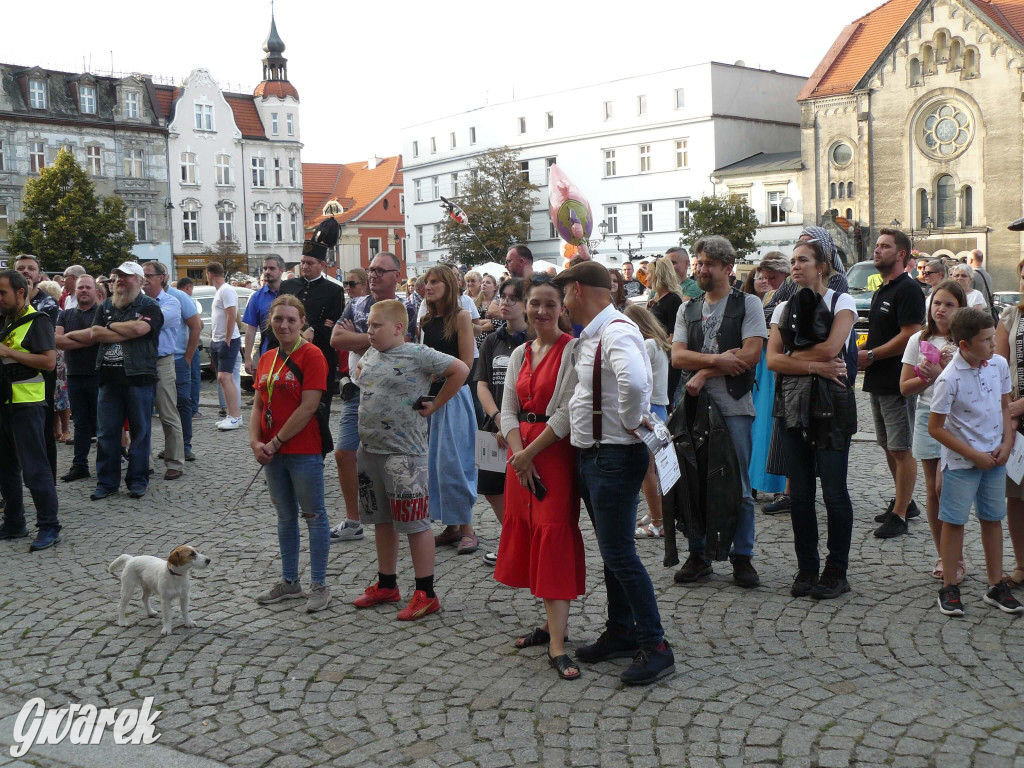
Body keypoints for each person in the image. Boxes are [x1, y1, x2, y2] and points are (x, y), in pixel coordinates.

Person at [551, 261, 674, 686]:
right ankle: (622, 630)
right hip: (598, 456)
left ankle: (656, 646)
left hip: (614, 457)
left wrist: (625, 421)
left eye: (565, 293)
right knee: (613, 550)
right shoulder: (598, 332)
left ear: (579, 290)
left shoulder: (616, 330)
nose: (564, 302)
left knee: (620, 553)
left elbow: (637, 385)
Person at [350, 299, 469, 620]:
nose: (369, 331)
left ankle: (426, 592)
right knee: (381, 520)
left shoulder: (418, 354)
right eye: (368, 325)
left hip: (405, 455)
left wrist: (436, 404)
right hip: (370, 450)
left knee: (416, 524)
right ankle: (387, 584)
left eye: (376, 325)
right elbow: (361, 373)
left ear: (398, 328)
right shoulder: (373, 351)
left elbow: (460, 369)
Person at [672, 235, 768, 588]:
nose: (701, 269)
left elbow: (751, 354)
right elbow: (677, 356)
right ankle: (698, 554)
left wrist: (704, 371)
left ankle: (742, 556)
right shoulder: (688, 308)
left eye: (708, 264)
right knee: (694, 483)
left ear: (727, 268)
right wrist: (716, 361)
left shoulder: (748, 305)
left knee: (738, 484)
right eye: (698, 263)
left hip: (734, 406)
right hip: (694, 407)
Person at [766, 239, 858, 599]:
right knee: (801, 494)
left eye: (803, 260)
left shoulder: (841, 301)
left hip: (832, 404)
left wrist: (793, 356)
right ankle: (806, 567)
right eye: (792, 260)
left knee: (834, 491)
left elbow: (834, 348)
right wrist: (812, 365)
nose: (795, 265)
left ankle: (837, 569)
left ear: (821, 266)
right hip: (791, 403)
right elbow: (772, 360)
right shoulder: (783, 307)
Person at [929, 307, 1023, 616]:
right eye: (986, 341)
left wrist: (1007, 444)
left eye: (993, 339)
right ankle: (949, 588)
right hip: (961, 464)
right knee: (955, 522)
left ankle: (996, 585)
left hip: (995, 460)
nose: (994, 346)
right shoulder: (949, 379)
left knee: (992, 519)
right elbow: (936, 428)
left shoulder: (996, 365)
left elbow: (1005, 406)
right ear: (965, 345)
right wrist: (973, 455)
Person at [250, 295, 332, 614]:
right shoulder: (267, 357)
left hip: (303, 449)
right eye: (278, 318)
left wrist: (276, 441)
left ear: (302, 323)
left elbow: (309, 406)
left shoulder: (312, 356)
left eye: (291, 320)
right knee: (285, 517)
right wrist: (255, 441)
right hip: (273, 452)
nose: (284, 325)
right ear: (270, 320)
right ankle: (289, 581)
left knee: (313, 516)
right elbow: (258, 404)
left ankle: (320, 585)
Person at [329, 252, 417, 543]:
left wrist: (360, 337)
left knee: (394, 460)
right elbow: (336, 340)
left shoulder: (408, 306)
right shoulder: (355, 304)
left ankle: (401, 519)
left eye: (381, 270)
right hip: (358, 393)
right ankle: (353, 520)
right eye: (371, 269)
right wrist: (376, 337)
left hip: (395, 395)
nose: (374, 275)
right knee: (344, 452)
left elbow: (406, 345)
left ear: (397, 274)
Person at [69, 262, 163, 501]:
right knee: (107, 433)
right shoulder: (107, 305)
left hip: (139, 378)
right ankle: (107, 482)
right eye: (118, 276)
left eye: (127, 277)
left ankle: (137, 481)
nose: (120, 280)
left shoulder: (150, 305)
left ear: (140, 281)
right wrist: (123, 329)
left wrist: (110, 326)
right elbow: (95, 333)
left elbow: (141, 329)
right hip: (108, 379)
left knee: (140, 433)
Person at [860, 228, 927, 539]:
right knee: (887, 444)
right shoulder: (882, 288)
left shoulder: (908, 289)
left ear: (902, 254)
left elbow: (911, 335)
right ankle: (906, 501)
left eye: (885, 246)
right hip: (878, 378)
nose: (877, 250)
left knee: (902, 448)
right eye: (877, 245)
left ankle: (900, 514)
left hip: (898, 379)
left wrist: (871, 354)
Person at [901, 280, 967, 582]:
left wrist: (941, 373)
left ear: (960, 309)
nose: (940, 309)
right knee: (932, 489)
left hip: (958, 419)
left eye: (949, 304)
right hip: (928, 414)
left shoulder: (966, 342)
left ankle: (957, 554)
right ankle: (944, 554)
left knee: (947, 487)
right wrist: (928, 378)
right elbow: (904, 387)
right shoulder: (918, 339)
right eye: (937, 303)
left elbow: (970, 389)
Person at [0, 269, 61, 551]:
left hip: (27, 403)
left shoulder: (38, 320)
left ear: (21, 292)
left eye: (2, 293)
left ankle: (49, 527)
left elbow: (49, 362)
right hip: (4, 403)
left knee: (35, 469)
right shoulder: (3, 321)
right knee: (5, 468)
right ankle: (14, 522)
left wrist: (9, 352)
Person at [420, 266, 479, 553]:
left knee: (456, 462)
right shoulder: (425, 321)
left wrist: (437, 379)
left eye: (434, 282)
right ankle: (451, 526)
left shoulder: (461, 317)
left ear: (447, 286)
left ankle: (467, 527)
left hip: (454, 397)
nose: (428, 287)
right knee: (436, 465)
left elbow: (466, 364)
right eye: (426, 282)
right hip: (430, 399)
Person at [476, 278, 528, 566]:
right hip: (494, 424)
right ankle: (513, 535)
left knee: (523, 488)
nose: (505, 303)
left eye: (513, 298)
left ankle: (522, 541)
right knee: (490, 486)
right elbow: (482, 383)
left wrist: (512, 424)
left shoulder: (535, 338)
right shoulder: (494, 339)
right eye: (503, 297)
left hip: (524, 426)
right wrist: (497, 418)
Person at [278, 233, 345, 410]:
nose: (304, 266)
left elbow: (334, 325)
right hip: (290, 353)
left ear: (322, 265)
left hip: (321, 354)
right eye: (302, 262)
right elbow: (277, 315)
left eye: (310, 263)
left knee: (319, 407)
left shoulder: (333, 290)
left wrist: (315, 329)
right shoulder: (287, 286)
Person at [624, 304, 670, 539]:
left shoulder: (647, 346)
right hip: (659, 409)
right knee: (655, 471)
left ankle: (658, 522)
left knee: (647, 472)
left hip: (650, 410)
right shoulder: (657, 345)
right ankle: (657, 513)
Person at [993, 257, 1024, 592]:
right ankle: (1021, 564)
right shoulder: (1011, 315)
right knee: (1016, 494)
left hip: (1018, 410)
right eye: (1023, 274)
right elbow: (998, 370)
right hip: (1015, 418)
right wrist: (1008, 412)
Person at [750, 254, 790, 499]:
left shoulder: (789, 295)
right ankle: (755, 479)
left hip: (777, 362)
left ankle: (780, 486)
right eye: (764, 277)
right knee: (759, 424)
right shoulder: (769, 296)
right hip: (763, 363)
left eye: (772, 277)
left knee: (773, 423)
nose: (767, 281)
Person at [141, 262, 186, 480]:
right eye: (142, 275)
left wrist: (138, 320)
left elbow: (152, 322)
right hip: (139, 362)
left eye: (149, 275)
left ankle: (175, 461)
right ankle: (144, 461)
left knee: (168, 414)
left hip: (162, 362)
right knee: (141, 416)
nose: (145, 279)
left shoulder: (171, 302)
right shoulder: (135, 301)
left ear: (162, 277)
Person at [55, 275, 101, 482]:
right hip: (74, 375)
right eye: (80, 287)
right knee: (80, 424)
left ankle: (107, 464)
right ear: (75, 291)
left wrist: (72, 337)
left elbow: (100, 337)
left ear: (95, 291)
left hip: (99, 375)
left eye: (87, 287)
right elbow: (58, 341)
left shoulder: (102, 313)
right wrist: (88, 339)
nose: (83, 290)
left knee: (104, 423)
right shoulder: (65, 315)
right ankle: (80, 465)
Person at [206, 262, 243, 430]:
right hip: (218, 339)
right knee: (224, 379)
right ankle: (231, 415)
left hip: (227, 340)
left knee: (225, 377)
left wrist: (227, 340)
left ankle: (235, 416)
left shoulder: (226, 290)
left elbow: (231, 315)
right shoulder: (220, 291)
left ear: (210, 274)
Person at [646, 257, 684, 404]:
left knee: (664, 401)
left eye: (649, 273)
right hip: (656, 358)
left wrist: (655, 348)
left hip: (665, 361)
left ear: (658, 275)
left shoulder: (673, 300)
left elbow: (674, 335)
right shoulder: (657, 299)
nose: (646, 277)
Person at [37, 281, 71, 443]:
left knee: (61, 394)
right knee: (51, 395)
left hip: (58, 355)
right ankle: (55, 428)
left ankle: (65, 429)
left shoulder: (59, 312)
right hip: (46, 353)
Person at [243, 256, 284, 375]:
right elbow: (250, 329)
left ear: (281, 270)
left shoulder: (291, 291)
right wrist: (247, 358)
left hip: (292, 350)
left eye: (272, 268)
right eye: (265, 268)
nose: (267, 272)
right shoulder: (256, 297)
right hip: (268, 351)